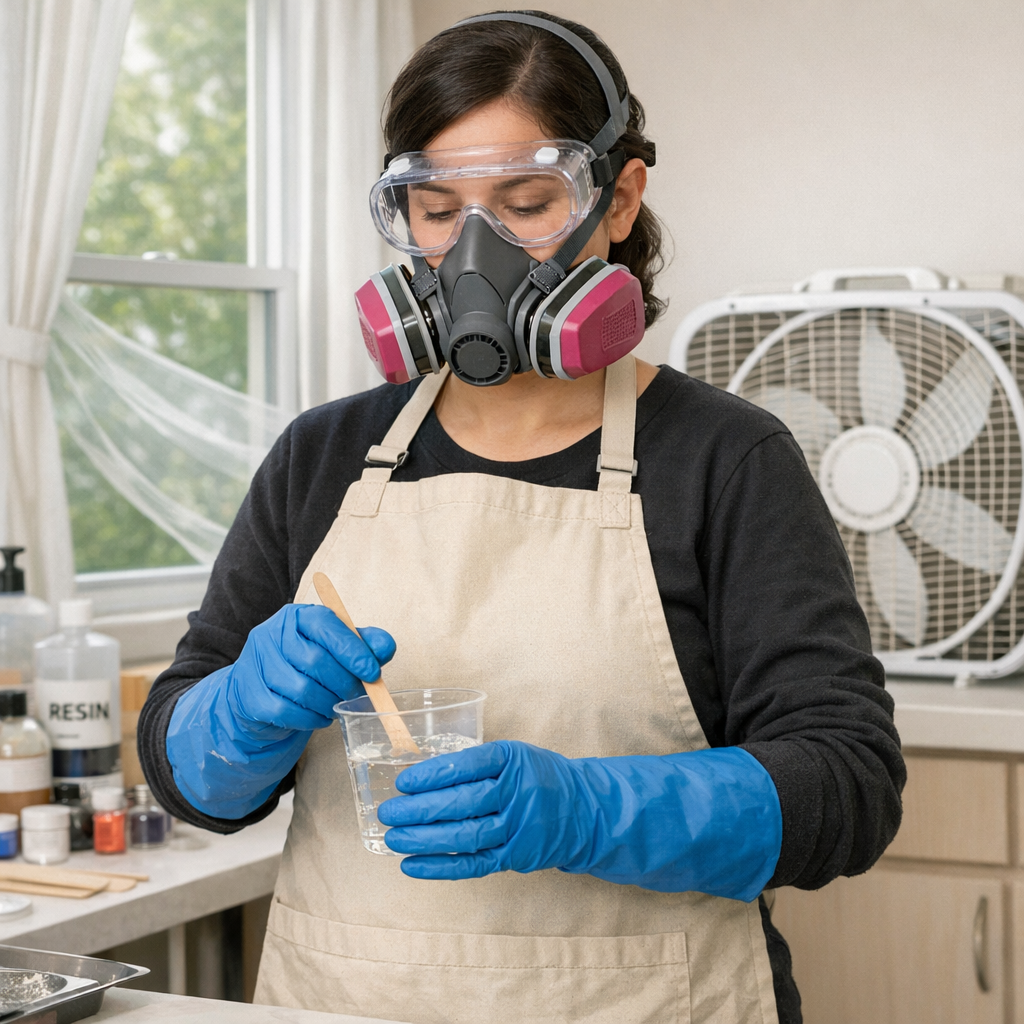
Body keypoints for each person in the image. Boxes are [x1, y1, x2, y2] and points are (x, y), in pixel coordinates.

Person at [139, 11, 905, 1023]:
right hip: (348, 1003)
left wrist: (586, 811)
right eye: (435, 209)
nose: (475, 252)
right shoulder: (321, 456)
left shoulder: (726, 459)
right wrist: (239, 712)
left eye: (528, 202)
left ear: (618, 199)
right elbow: (190, 781)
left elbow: (847, 786)